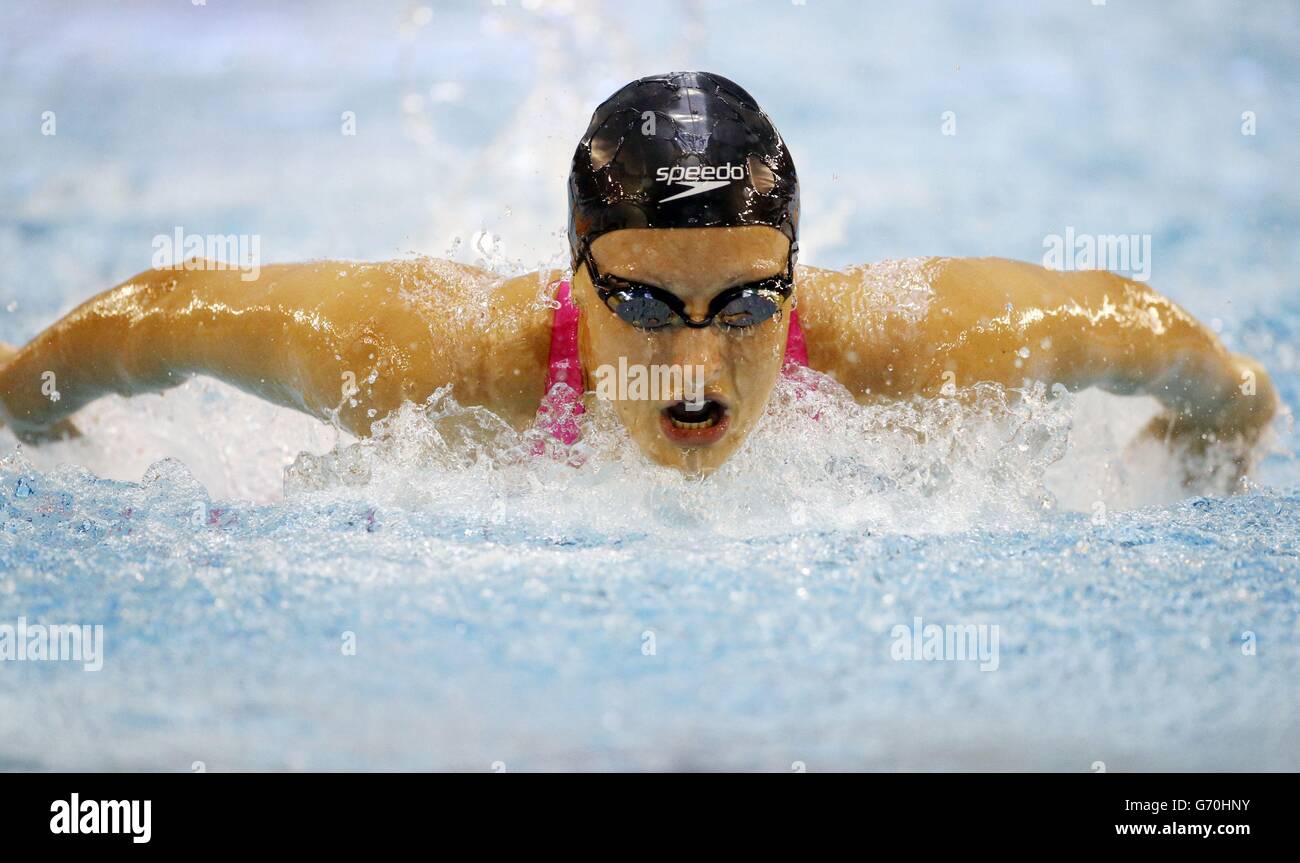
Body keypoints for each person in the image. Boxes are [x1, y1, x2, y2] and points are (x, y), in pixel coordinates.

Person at [0, 72, 1277, 481]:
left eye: (751, 302)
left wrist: (1206, 437)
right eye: (646, 305)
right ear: (573, 280)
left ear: (797, 271)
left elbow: (1192, 362)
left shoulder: (927, 350)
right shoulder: (441, 360)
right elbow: (167, 316)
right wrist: (23, 416)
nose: (700, 366)